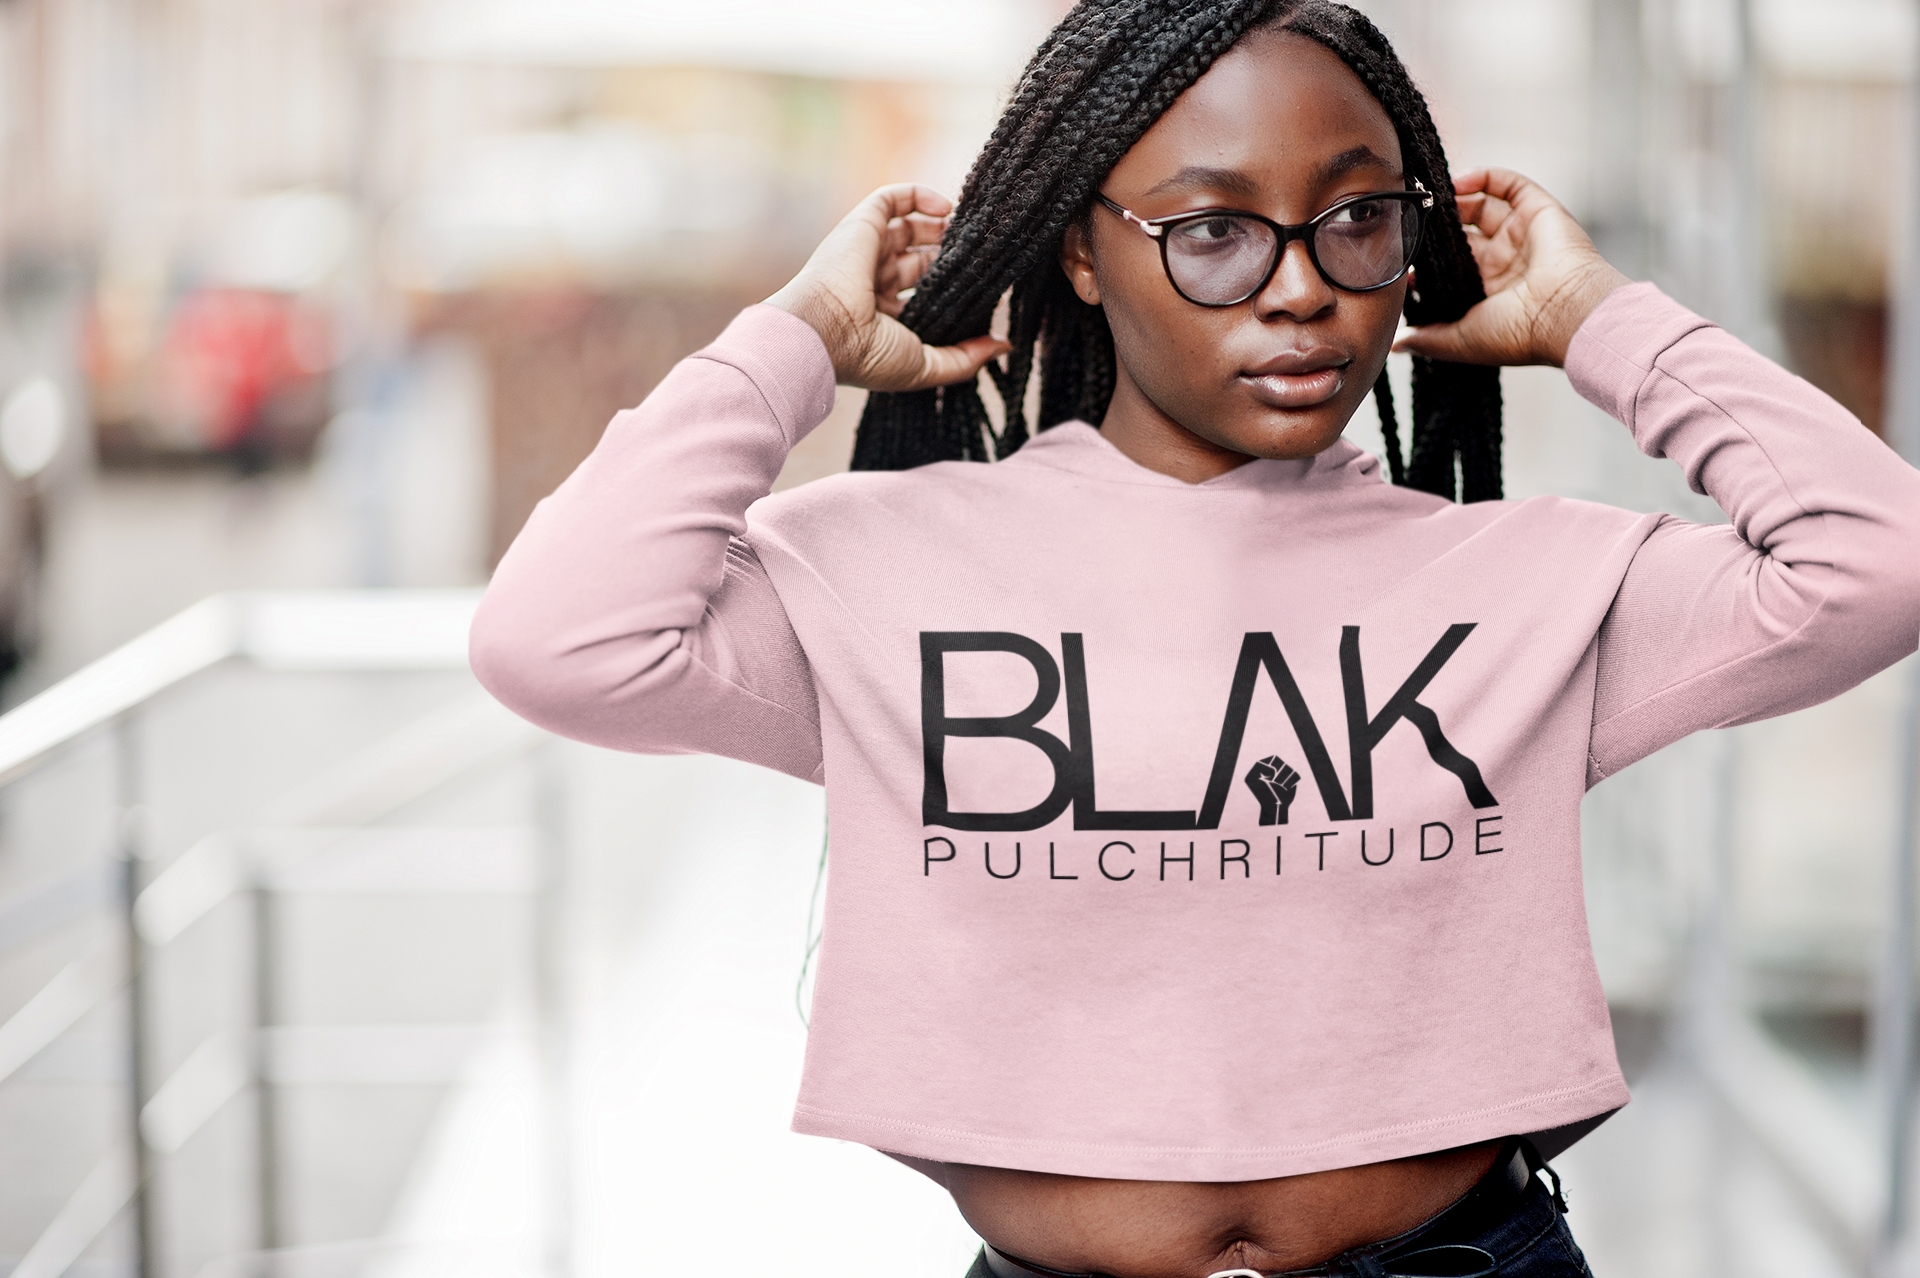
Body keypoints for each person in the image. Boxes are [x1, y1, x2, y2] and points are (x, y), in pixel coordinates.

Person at [468, 2, 1920, 1275]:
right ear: (1084, 255)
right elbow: (557, 636)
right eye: (1212, 230)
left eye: (1358, 218)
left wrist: (1601, 318)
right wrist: (794, 335)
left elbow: (1879, 559)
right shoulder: (892, 564)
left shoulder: (1528, 581)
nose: (1301, 285)